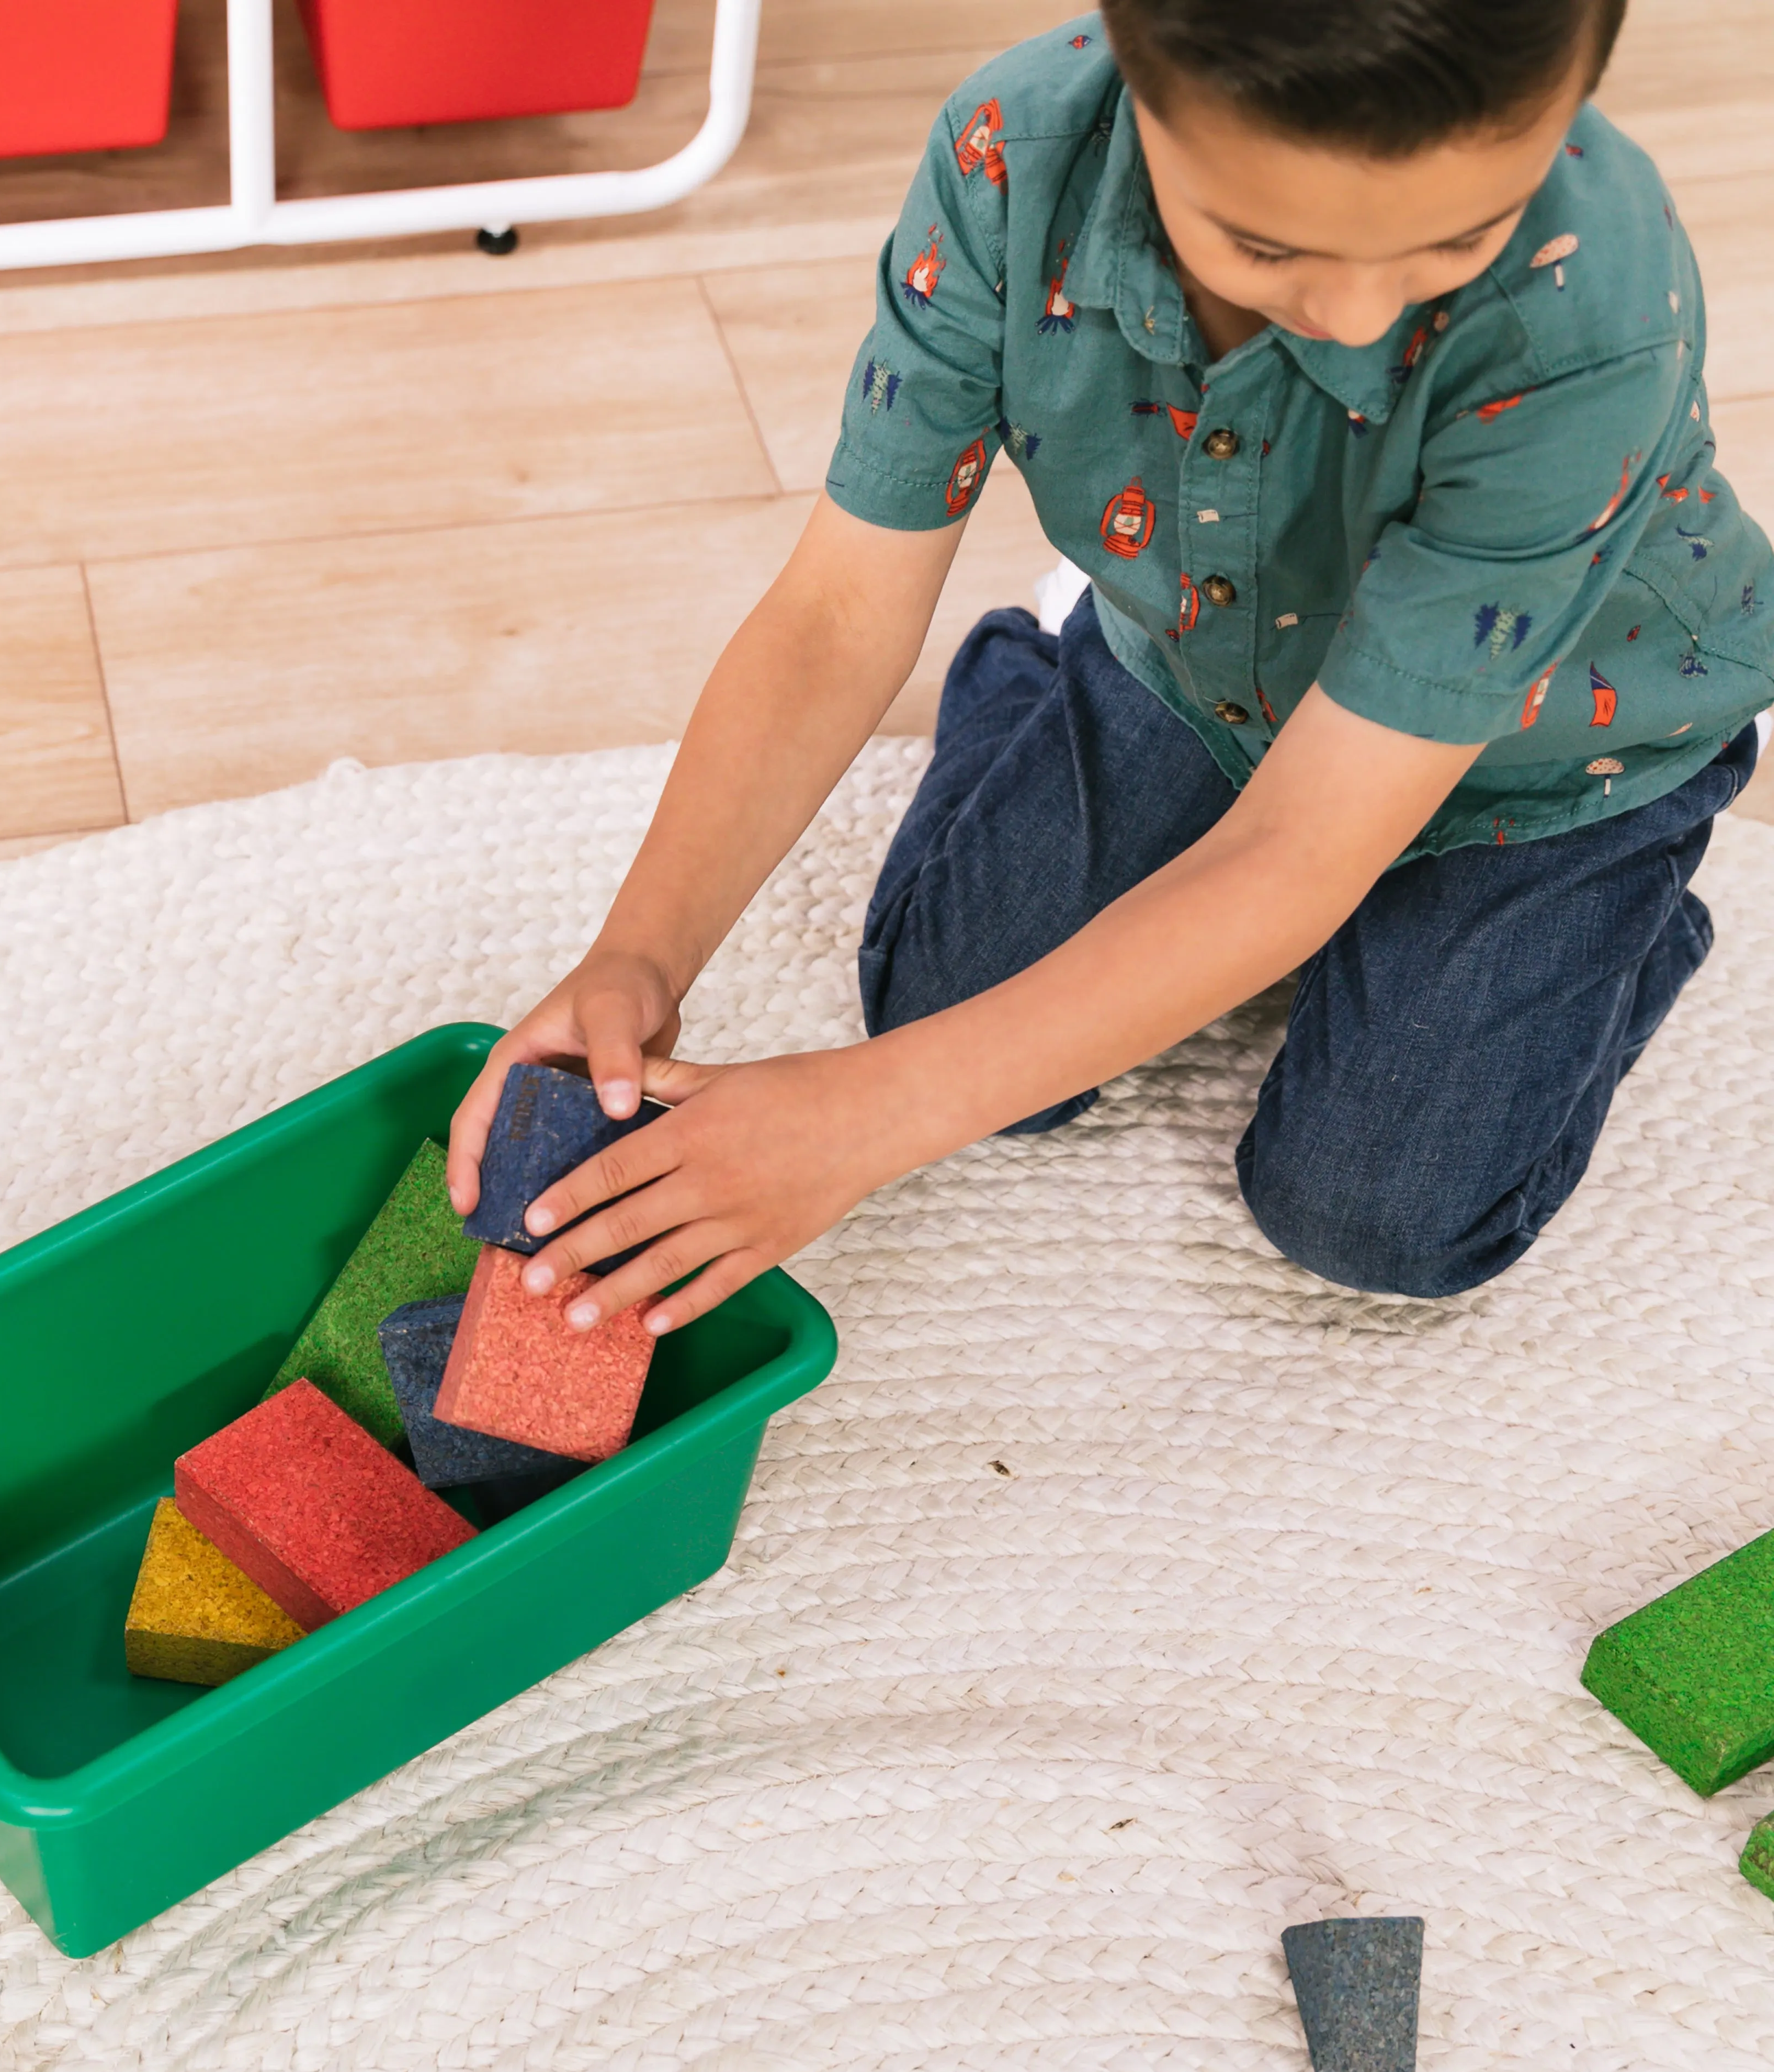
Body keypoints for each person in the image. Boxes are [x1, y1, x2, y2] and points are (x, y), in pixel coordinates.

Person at [447, 0, 1774, 1329]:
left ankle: (1620, 910)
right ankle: (1041, 659)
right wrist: (639, 953)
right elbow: (836, 611)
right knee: (938, 1009)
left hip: (1552, 765)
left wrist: (863, 1121)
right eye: (1265, 242)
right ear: (1142, 88)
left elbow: (1299, 848)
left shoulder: (1591, 313)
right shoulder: (1009, 155)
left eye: (1458, 236)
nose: (1356, 316)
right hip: (1202, 667)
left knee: (1376, 1220)